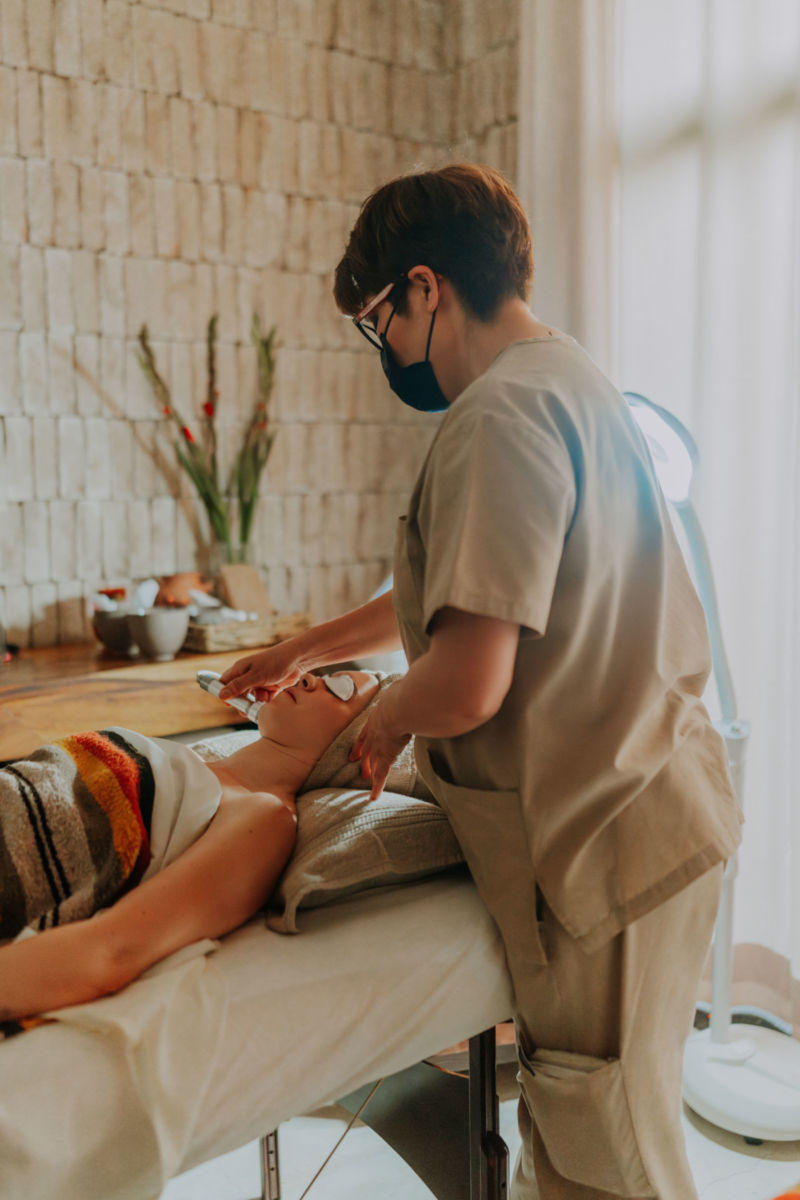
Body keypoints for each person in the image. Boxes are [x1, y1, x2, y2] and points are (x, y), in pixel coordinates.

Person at [218, 164, 743, 1198]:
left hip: (604, 849)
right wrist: (308, 651)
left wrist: (376, 722)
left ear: (425, 288)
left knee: (610, 1164)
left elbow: (465, 681)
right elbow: (481, 586)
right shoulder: (565, 378)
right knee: (604, 1143)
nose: (385, 349)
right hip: (660, 812)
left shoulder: (494, 417)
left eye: (378, 322)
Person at [0, 670, 379, 1027]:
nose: (309, 678)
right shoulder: (194, 761)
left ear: (362, 747)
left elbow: (114, 949)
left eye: (340, 689)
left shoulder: (265, 817)